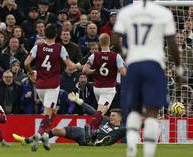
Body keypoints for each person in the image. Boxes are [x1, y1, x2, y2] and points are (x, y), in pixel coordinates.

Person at [112, 1, 183, 157]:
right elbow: (172, 45)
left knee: (135, 110)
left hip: (134, 64)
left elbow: (115, 39)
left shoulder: (126, 11)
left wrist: (125, 53)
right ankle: (148, 154)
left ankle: (131, 148)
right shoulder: (163, 13)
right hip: (154, 64)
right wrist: (178, 68)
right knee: (152, 112)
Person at [24, 24, 81, 151]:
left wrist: (30, 72)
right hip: (53, 85)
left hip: (40, 85)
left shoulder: (37, 47)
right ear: (56, 35)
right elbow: (70, 66)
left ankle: (45, 134)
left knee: (53, 110)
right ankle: (39, 135)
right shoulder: (60, 48)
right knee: (47, 112)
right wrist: (79, 66)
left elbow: (26, 63)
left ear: (45, 34)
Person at [13, 94, 125, 146]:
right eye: (111, 115)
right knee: (56, 130)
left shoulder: (120, 129)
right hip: (83, 134)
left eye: (113, 116)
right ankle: (29, 140)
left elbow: (133, 129)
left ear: (120, 118)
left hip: (92, 141)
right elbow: (92, 112)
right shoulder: (105, 121)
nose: (111, 117)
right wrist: (79, 101)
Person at [82, 33, 126, 133]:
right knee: (100, 112)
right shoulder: (116, 56)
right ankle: (90, 129)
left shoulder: (94, 55)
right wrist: (119, 69)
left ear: (99, 44)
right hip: (108, 89)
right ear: (109, 42)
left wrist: (93, 71)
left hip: (96, 88)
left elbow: (84, 70)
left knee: (100, 111)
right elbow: (124, 73)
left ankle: (96, 131)